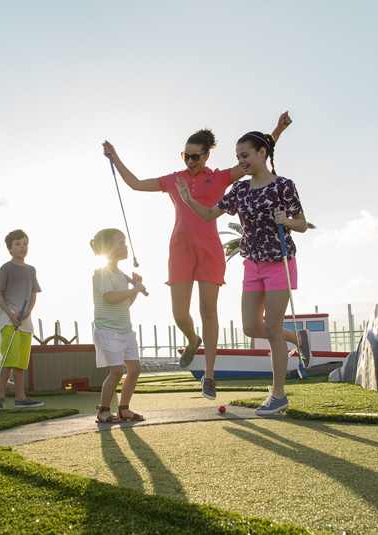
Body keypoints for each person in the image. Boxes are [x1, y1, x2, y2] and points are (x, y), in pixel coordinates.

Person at [102, 112, 293, 401]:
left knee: (208, 311)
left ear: (206, 156)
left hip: (210, 250)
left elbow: (256, 154)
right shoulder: (173, 179)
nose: (190, 161)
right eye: (186, 156)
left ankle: (210, 375)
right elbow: (136, 183)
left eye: (195, 157)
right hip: (179, 250)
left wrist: (277, 130)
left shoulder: (220, 178)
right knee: (180, 313)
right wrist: (114, 156)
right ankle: (193, 340)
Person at [177, 131, 307, 416]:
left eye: (245, 156)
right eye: (238, 158)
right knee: (250, 327)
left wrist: (287, 221)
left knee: (272, 329)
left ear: (262, 153)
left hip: (279, 263)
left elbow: (302, 223)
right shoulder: (240, 189)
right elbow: (210, 214)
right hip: (252, 266)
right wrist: (188, 200)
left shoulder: (283, 186)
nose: (242, 162)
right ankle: (297, 338)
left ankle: (278, 395)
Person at [90, 228, 147, 423]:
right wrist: (135, 289)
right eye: (120, 243)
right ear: (108, 248)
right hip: (108, 330)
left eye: (125, 243)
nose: (125, 246)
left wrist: (134, 289)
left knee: (135, 369)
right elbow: (111, 298)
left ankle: (124, 409)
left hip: (125, 330)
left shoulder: (121, 275)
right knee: (116, 372)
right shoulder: (102, 272)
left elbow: (125, 303)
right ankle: (104, 411)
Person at [0, 229, 45, 409]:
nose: (23, 247)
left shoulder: (31, 270)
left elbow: (33, 294)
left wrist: (28, 311)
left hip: (25, 321)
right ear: (9, 248)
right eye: (18, 244)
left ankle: (21, 397)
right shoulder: (6, 268)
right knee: (9, 359)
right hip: (9, 320)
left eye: (25, 244)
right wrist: (10, 314)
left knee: (21, 361)